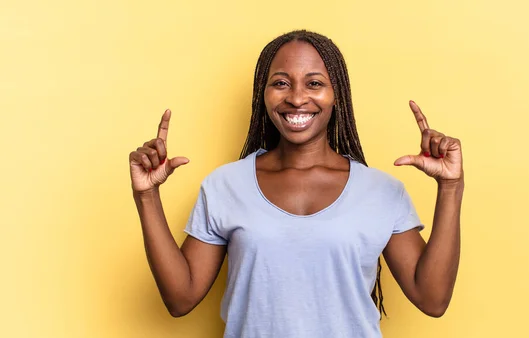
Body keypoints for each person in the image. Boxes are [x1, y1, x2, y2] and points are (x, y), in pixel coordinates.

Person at [129, 30, 464, 338]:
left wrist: (451, 187)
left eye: (314, 83)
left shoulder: (382, 191)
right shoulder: (225, 185)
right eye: (281, 83)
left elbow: (432, 300)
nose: (297, 97)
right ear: (263, 93)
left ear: (337, 96)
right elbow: (180, 299)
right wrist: (147, 196)